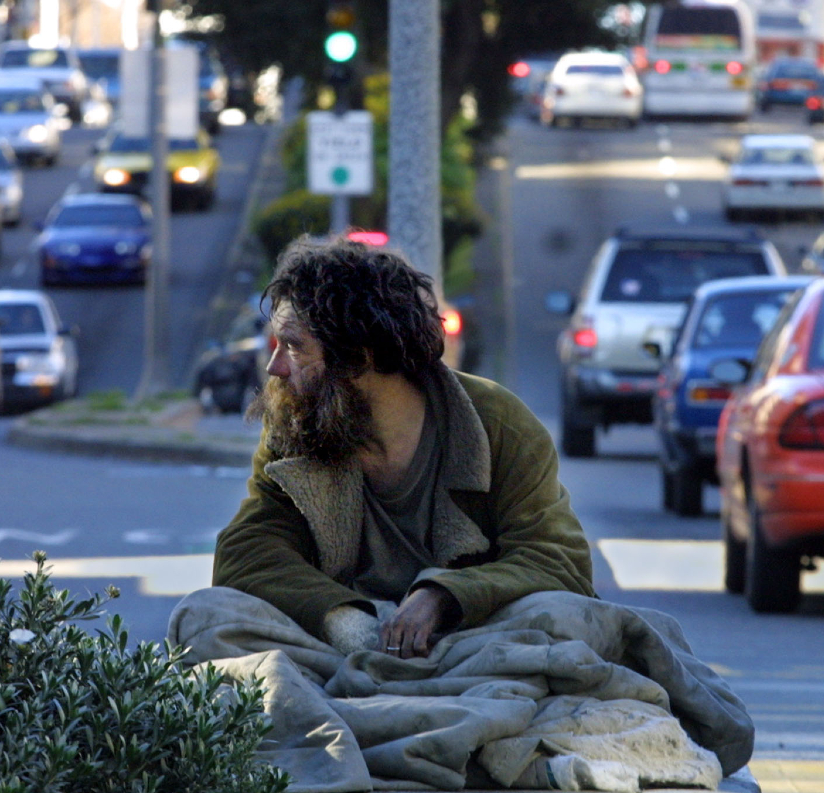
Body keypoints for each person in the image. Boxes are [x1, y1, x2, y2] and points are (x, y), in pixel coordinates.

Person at [211, 236, 596, 660]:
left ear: (360, 355)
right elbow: (247, 549)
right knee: (208, 613)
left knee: (562, 616)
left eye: (294, 346)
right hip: (339, 645)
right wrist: (346, 620)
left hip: (469, 639)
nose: (275, 367)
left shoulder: (499, 424)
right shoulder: (296, 423)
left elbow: (559, 562)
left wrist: (443, 596)